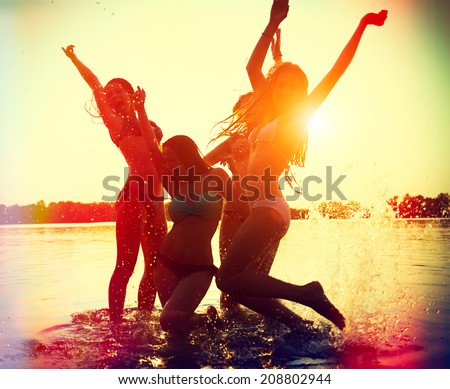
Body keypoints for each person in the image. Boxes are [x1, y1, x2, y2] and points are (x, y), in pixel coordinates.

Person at [215, 0, 388, 332]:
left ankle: (306, 293)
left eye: (295, 87)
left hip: (268, 209)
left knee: (227, 278)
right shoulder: (269, 114)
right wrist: (272, 22)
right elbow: (253, 67)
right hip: (262, 210)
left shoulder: (297, 118)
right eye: (282, 84)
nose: (286, 90)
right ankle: (299, 326)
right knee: (240, 284)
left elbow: (337, 70)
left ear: (302, 93)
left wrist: (362, 25)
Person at [61, 45, 168, 324]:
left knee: (155, 267)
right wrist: (74, 58)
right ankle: (117, 327)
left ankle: (145, 321)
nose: (113, 95)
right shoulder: (116, 123)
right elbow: (94, 83)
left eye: (118, 90)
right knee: (125, 266)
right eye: (109, 95)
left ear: (131, 94)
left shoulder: (150, 122)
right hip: (134, 195)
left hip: (157, 201)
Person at [132, 87, 249, 334]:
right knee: (175, 332)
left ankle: (209, 320)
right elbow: (152, 149)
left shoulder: (216, 177)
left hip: (198, 268)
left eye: (172, 160)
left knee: (169, 319)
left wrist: (239, 171)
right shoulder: (173, 183)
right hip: (165, 262)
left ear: (187, 156)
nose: (167, 165)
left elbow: (243, 209)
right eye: (166, 161)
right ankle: (202, 327)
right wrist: (140, 108)